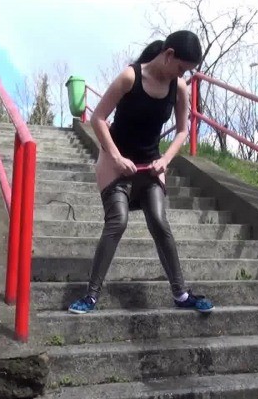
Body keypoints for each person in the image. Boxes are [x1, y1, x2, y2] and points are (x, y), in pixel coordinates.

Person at [68, 30, 214, 314]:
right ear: (169, 54)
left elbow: (183, 130)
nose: (182, 75)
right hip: (115, 162)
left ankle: (181, 294)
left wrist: (166, 160)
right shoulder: (130, 77)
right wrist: (116, 157)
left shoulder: (179, 87)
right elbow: (98, 118)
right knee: (117, 221)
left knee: (159, 221)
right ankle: (91, 296)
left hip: (150, 164)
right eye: (181, 68)